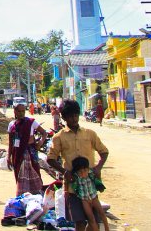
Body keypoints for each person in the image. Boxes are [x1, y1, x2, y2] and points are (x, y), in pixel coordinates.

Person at [47, 99, 109, 231]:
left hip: (90, 186)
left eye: (75, 115)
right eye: (70, 116)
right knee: (79, 222)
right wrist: (65, 172)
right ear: (64, 117)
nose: (74, 119)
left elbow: (104, 152)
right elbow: (50, 159)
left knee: (94, 223)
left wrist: (98, 168)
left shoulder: (90, 134)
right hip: (72, 187)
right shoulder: (59, 137)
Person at [7, 102, 47, 195]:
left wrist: (40, 142)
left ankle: (37, 195)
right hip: (18, 154)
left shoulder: (31, 122)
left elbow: (44, 133)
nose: (21, 113)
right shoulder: (11, 125)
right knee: (20, 175)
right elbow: (10, 143)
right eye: (19, 111)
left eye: (23, 111)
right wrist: (8, 157)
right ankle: (22, 195)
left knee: (35, 173)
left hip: (31, 153)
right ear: (15, 112)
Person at [70, 156, 109, 231]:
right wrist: (65, 191)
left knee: (102, 213)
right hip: (84, 200)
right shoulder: (75, 177)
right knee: (91, 218)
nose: (83, 173)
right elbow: (68, 181)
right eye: (80, 171)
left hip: (94, 197)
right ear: (76, 171)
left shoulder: (91, 173)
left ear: (88, 169)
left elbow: (98, 179)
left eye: (85, 170)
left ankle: (107, 229)